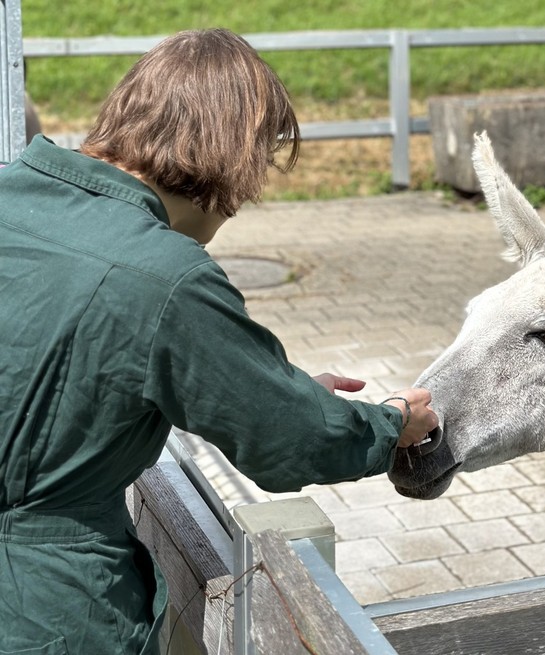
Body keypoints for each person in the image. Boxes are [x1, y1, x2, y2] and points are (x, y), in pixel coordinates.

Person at [0, 28, 439, 655]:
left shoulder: (13, 192)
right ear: (230, 157)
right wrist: (389, 422)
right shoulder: (165, 274)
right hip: (48, 611)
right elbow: (290, 441)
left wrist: (278, 389)